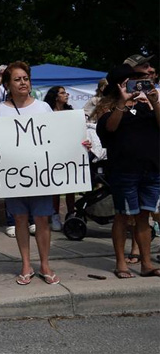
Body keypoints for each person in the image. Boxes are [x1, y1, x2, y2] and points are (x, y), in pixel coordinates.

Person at [0, 61, 58, 285]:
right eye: (17, 79)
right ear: (7, 84)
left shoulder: (44, 108)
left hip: (41, 175)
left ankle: (44, 263)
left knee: (42, 220)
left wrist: (77, 145)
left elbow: (57, 138)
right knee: (20, 219)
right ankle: (26, 263)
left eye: (25, 78)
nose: (23, 82)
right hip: (13, 176)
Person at [96, 64, 160, 279]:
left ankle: (146, 263)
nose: (133, 84)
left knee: (144, 217)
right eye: (128, 81)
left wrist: (154, 102)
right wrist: (123, 102)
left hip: (150, 169)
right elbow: (110, 128)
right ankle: (121, 263)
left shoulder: (146, 105)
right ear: (117, 85)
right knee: (122, 217)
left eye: (136, 80)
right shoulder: (108, 109)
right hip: (124, 171)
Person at [43, 86, 76, 231]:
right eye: (63, 93)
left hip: (69, 152)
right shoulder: (48, 113)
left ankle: (71, 214)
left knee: (71, 187)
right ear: (56, 96)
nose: (66, 95)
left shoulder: (70, 112)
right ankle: (55, 215)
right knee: (55, 187)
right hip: (53, 153)